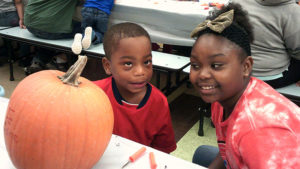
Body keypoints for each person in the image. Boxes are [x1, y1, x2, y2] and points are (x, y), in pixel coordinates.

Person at [189, 3, 300, 169]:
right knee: (201, 153)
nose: (203, 75)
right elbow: (228, 148)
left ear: (246, 67)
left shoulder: (257, 132)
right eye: (196, 65)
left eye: (216, 65)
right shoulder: (223, 99)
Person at [93, 22, 177, 153]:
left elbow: (163, 150)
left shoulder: (159, 102)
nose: (140, 71)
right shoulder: (94, 94)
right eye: (128, 63)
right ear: (108, 66)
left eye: (147, 62)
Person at [232, 0, 300, 88]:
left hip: (236, 71)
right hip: (269, 77)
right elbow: (297, 51)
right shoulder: (293, 11)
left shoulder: (238, 2)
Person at [24, 0, 83, 74]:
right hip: (48, 27)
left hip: (30, 24)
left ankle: (39, 61)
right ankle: (61, 60)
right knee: (86, 29)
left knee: (51, 29)